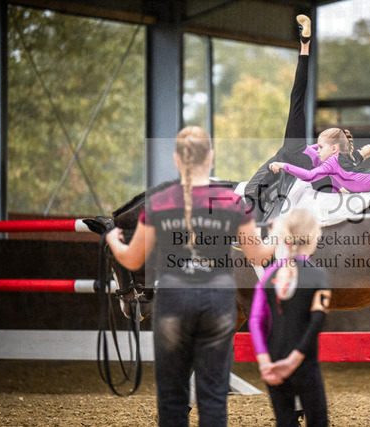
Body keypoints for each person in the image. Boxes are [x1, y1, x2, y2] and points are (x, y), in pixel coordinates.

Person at [106, 126, 275, 426]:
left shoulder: (158, 203)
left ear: (176, 160)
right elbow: (259, 257)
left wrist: (113, 242)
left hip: (174, 301)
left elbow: (132, 259)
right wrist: (280, 237)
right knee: (213, 396)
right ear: (210, 157)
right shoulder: (232, 202)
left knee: (172, 395)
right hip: (217, 302)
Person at [244, 14, 370, 215]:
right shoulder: (347, 159)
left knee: (250, 192)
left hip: (293, 154)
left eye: (322, 146)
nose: (320, 148)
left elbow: (299, 95)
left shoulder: (312, 155)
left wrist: (284, 165)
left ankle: (305, 45)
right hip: (322, 176)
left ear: (333, 148)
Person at [248, 208, 332, 427]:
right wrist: (294, 360)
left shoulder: (269, 274)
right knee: (318, 421)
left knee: (284, 421)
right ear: (315, 236)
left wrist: (264, 361)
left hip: (273, 361)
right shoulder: (319, 275)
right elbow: (317, 320)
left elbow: (255, 320)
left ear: (285, 236)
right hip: (304, 363)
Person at [268, 102, 370, 213]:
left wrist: (283, 166)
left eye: (320, 147)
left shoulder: (332, 163)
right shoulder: (351, 156)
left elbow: (309, 176)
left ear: (334, 149)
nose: (318, 151)